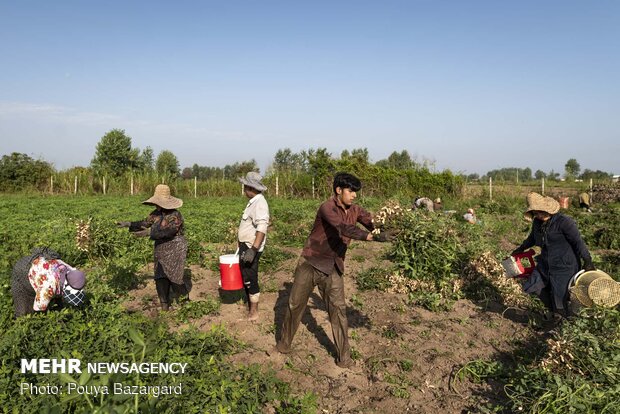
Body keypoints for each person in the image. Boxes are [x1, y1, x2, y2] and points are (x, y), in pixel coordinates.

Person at [275, 172, 392, 368]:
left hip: (333, 266)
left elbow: (372, 223)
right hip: (310, 262)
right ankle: (284, 346)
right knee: (295, 306)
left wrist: (388, 226)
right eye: (350, 191)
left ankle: (344, 359)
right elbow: (343, 228)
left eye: (356, 191)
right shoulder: (327, 208)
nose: (354, 195)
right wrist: (370, 238)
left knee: (338, 311)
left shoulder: (356, 210)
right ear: (339, 190)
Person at [512, 192, 594, 319]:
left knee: (559, 298)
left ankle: (562, 319)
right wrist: (520, 248)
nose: (539, 215)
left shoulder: (564, 222)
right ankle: (555, 312)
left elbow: (578, 242)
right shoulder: (537, 223)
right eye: (536, 213)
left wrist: (587, 260)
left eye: (541, 211)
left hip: (564, 266)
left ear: (548, 209)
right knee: (532, 286)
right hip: (545, 264)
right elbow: (532, 238)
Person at [117, 184, 188, 311]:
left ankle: (186, 304)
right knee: (160, 276)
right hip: (161, 247)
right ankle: (164, 306)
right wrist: (129, 224)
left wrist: (150, 232)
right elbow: (145, 223)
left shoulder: (175, 215)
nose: (157, 205)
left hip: (175, 246)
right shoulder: (155, 213)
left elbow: (170, 230)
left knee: (175, 276)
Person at [11, 247, 87, 317]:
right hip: (22, 271)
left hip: (42, 270)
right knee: (25, 311)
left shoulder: (72, 271)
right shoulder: (49, 286)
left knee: (57, 304)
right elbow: (39, 307)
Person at [237, 171, 270, 321]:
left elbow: (262, 227)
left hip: (251, 248)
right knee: (246, 276)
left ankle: (254, 312)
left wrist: (254, 249)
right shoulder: (254, 202)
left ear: (251, 188)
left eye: (245, 187)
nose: (244, 190)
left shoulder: (260, 203)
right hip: (246, 246)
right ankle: (250, 306)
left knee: (251, 277)